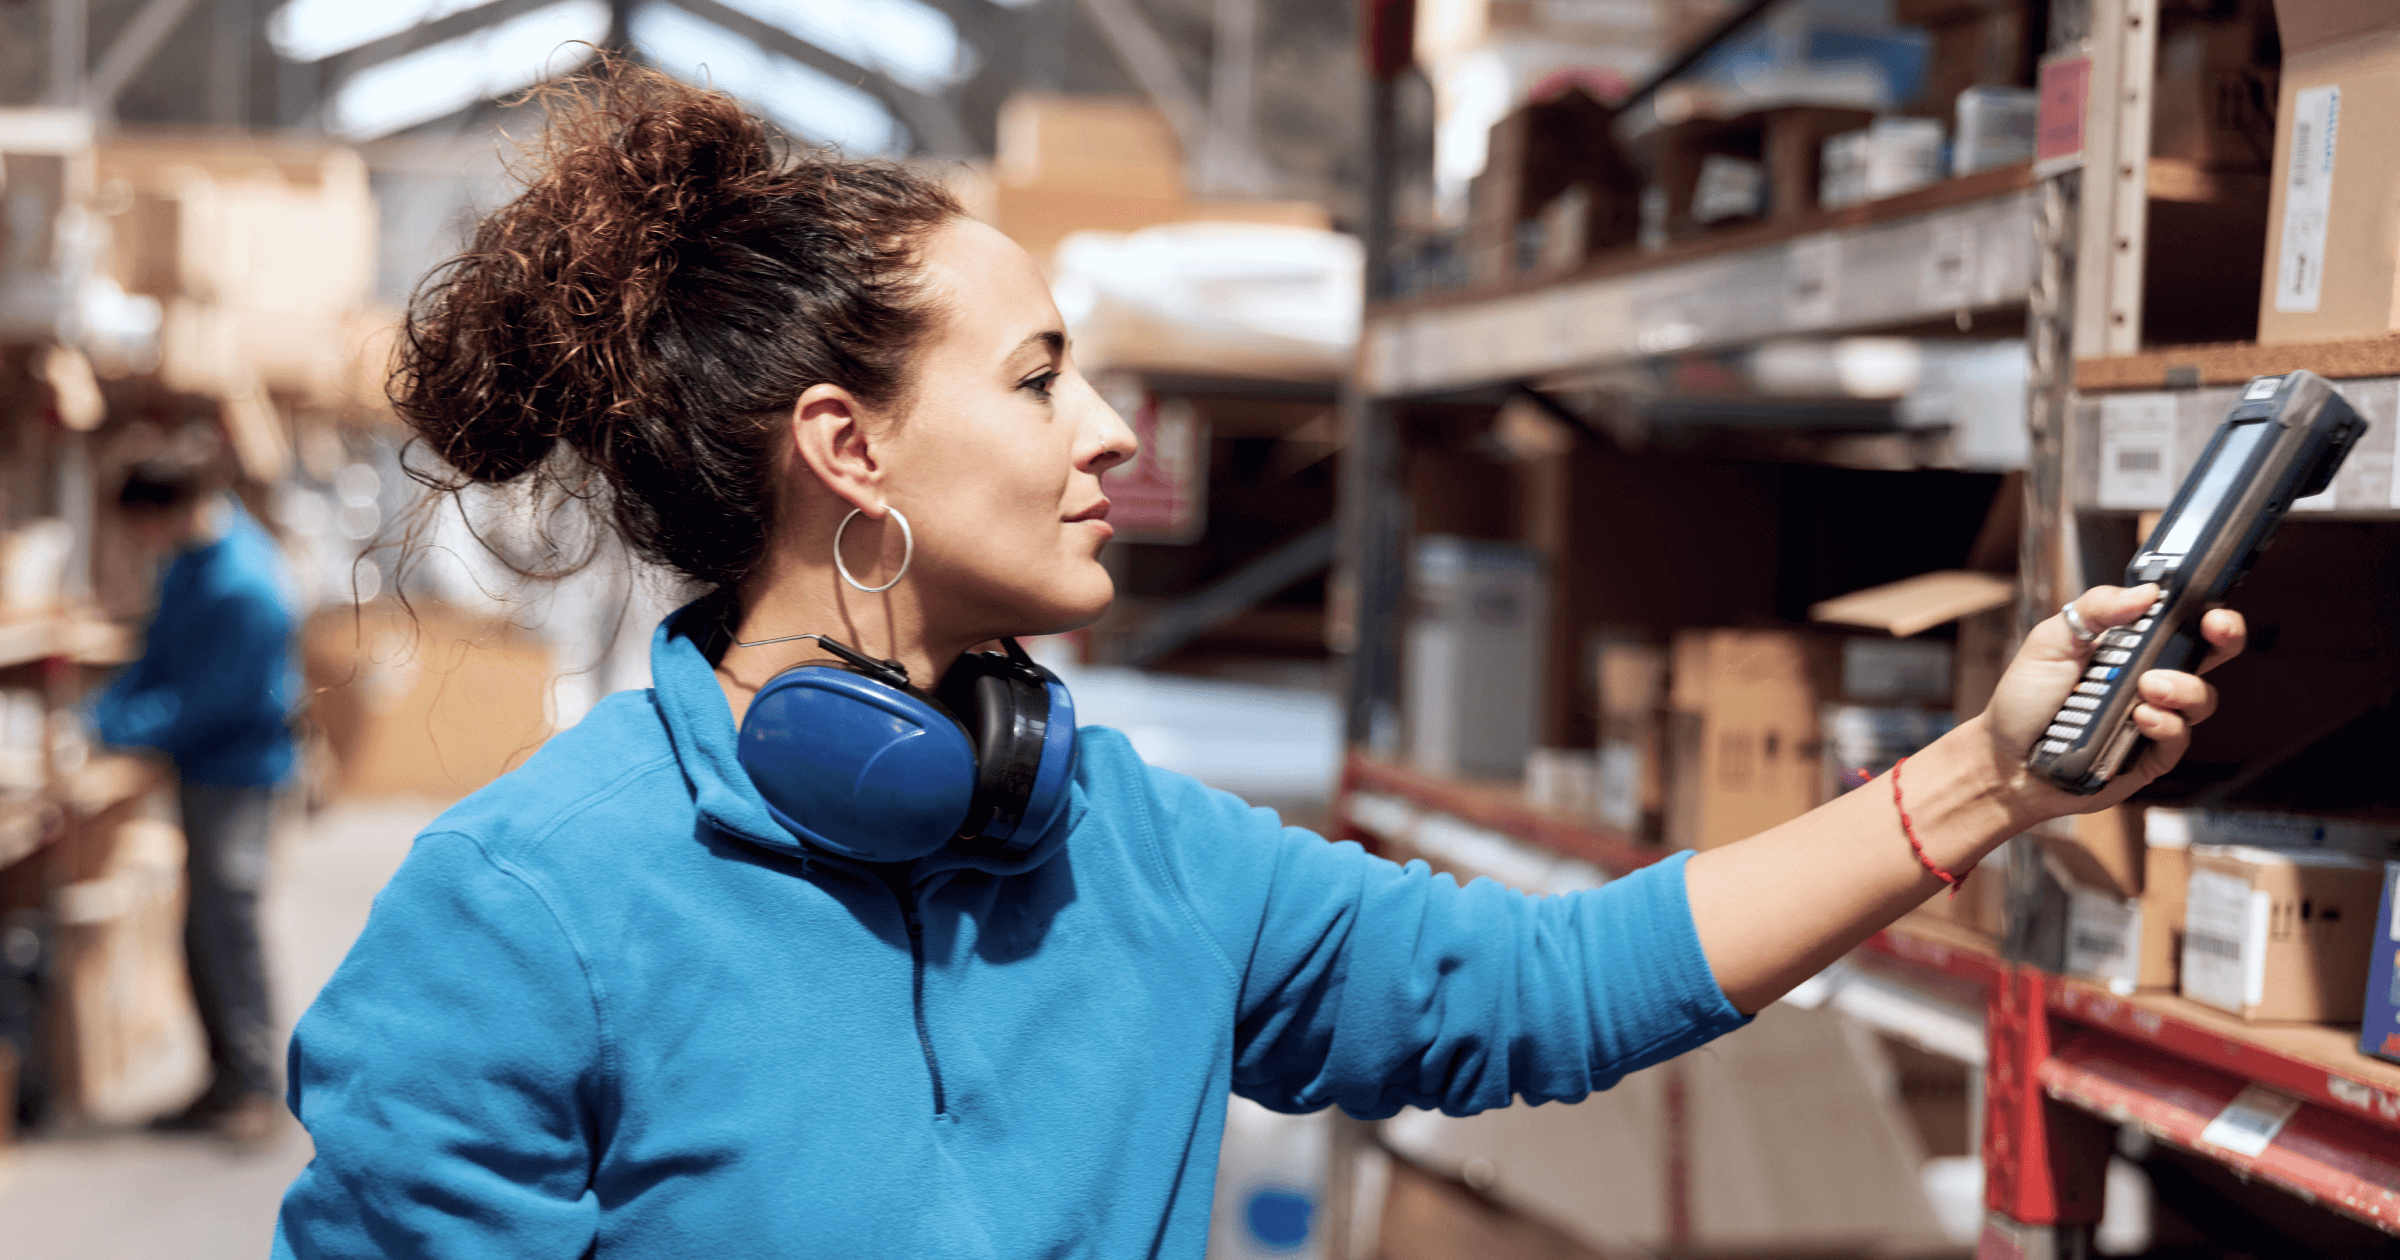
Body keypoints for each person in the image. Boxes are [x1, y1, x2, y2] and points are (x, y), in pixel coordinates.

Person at [272, 67, 2242, 1258]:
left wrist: (1992, 776)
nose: (1116, 431)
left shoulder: (1121, 850)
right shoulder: (524, 913)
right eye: (1045, 377)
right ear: (846, 452)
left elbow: (1542, 991)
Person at [95, 448, 297, 1143]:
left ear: (168, 512)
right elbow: (159, 656)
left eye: (139, 526)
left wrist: (127, 724)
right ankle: (223, 1080)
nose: (137, 542)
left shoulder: (245, 582)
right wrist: (107, 708)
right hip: (200, 764)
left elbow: (228, 697)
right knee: (201, 926)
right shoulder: (189, 560)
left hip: (240, 771)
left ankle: (257, 1089)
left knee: (229, 920)